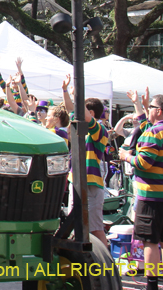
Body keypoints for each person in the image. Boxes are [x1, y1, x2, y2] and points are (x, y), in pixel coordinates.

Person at [118, 92, 163, 290]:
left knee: (150, 242)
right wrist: (141, 105)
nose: (149, 110)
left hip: (152, 194)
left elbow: (144, 163)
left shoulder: (154, 132)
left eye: (151, 107)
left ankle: (151, 285)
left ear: (159, 111)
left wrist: (126, 157)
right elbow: (146, 126)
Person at [62, 87, 109, 248]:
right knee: (73, 224)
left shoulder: (100, 131)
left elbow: (84, 115)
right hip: (76, 182)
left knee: (95, 228)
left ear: (92, 113)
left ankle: (106, 263)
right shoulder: (80, 130)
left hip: (91, 184)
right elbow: (70, 109)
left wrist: (77, 95)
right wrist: (65, 91)